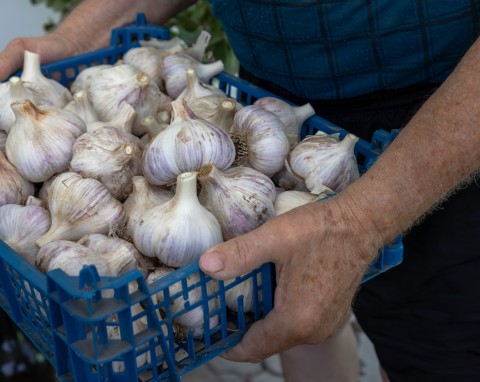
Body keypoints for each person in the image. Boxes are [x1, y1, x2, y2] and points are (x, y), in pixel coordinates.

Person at [1, 1, 479, 381]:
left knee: (435, 358)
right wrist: (78, 37)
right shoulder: (228, 143)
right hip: (265, 106)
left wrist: (358, 222)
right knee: (299, 325)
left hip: (441, 125)